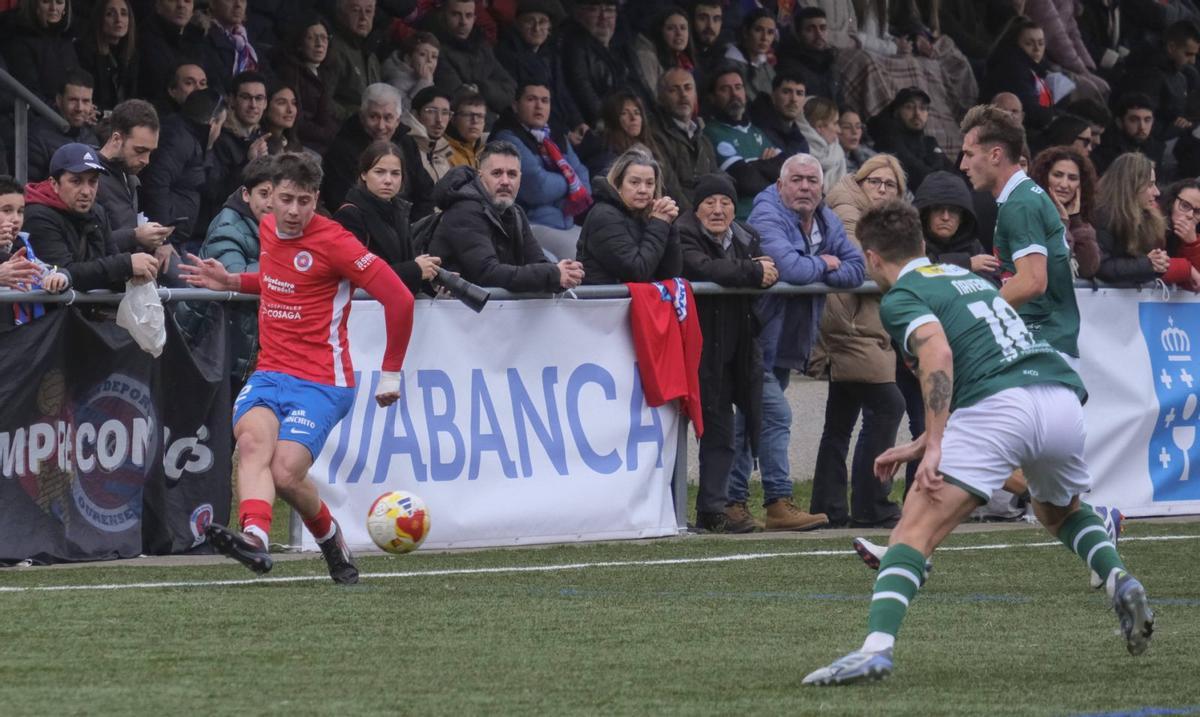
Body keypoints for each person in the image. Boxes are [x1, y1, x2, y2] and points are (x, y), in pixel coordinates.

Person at [802, 200, 1154, 685]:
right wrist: (923, 441)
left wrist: (935, 445)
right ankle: (1119, 578)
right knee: (1058, 512)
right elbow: (979, 363)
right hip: (1058, 397)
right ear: (922, 245)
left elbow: (939, 353)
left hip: (999, 407)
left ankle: (875, 649)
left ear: (872, 258)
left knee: (912, 532)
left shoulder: (902, 297)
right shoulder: (965, 278)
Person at [179, 152, 417, 584]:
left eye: (303, 201)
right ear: (270, 196)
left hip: (323, 381)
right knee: (252, 443)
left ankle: (330, 538)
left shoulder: (337, 242)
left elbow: (399, 298)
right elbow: (277, 281)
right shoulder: (268, 228)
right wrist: (232, 281)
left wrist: (391, 373)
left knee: (286, 474)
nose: (292, 211)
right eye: (285, 199)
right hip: (270, 371)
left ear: (316, 198)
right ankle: (255, 537)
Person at [732, 153, 864, 531]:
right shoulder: (767, 214)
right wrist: (825, 264)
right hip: (753, 336)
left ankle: (730, 502)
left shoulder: (825, 218)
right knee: (776, 415)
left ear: (822, 187)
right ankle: (778, 501)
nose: (805, 187)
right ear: (780, 185)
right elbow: (789, 268)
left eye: (812, 181)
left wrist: (817, 269)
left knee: (750, 421)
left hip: (786, 342)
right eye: (797, 180)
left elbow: (856, 268)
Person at [808, 154, 907, 529]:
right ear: (860, 182)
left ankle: (828, 507)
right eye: (874, 182)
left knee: (840, 421)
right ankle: (870, 504)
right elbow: (863, 266)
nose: (881, 189)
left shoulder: (884, 218)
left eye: (889, 184)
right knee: (888, 404)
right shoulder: (848, 209)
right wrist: (903, 273)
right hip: (849, 326)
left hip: (862, 325)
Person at [678, 173, 775, 532]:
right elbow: (706, 269)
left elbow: (770, 270)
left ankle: (714, 509)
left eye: (726, 202)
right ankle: (669, 508)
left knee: (724, 430)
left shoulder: (747, 235)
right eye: (710, 202)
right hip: (693, 349)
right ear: (696, 208)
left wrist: (757, 271)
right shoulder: (682, 233)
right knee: (676, 431)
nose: (718, 210)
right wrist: (752, 270)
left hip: (737, 347)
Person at [958, 104, 1080, 365]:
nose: (963, 165)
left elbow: (1032, 281)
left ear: (995, 155)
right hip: (1041, 342)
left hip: (1041, 343)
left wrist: (978, 321)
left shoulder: (1020, 204)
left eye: (968, 154)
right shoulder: (1021, 198)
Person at [428, 142, 584, 292]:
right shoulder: (465, 211)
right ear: (480, 176)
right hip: (452, 308)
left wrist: (564, 274)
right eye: (497, 173)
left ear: (520, 179)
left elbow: (538, 261)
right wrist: (553, 274)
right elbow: (487, 274)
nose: (505, 181)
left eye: (512, 174)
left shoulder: (516, 213)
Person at [24, 143, 159, 293]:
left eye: (93, 181)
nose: (86, 191)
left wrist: (129, 278)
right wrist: (126, 265)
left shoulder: (97, 211)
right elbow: (62, 273)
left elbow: (110, 264)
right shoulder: (37, 216)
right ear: (54, 183)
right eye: (76, 181)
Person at [491, 81, 592, 261]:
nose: (539, 106)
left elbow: (583, 177)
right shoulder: (507, 138)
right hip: (529, 225)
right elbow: (538, 187)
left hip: (565, 223)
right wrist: (570, 181)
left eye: (545, 101)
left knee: (604, 251)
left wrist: (567, 180)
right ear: (515, 106)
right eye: (531, 99)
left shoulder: (555, 137)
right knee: (580, 257)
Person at [198, 155, 274, 385]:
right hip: (217, 346)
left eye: (279, 195)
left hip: (246, 344)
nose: (271, 203)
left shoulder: (280, 227)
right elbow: (235, 276)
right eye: (264, 194)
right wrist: (289, 269)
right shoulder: (227, 226)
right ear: (246, 194)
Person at [334, 140, 441, 296]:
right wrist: (415, 269)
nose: (388, 180)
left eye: (395, 173)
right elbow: (356, 274)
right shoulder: (349, 215)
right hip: (365, 307)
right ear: (364, 174)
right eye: (379, 172)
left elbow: (404, 268)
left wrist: (431, 276)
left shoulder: (400, 212)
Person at [321, 83, 433, 218]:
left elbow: (425, 191)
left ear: (397, 120)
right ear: (362, 117)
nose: (381, 126)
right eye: (374, 117)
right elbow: (340, 200)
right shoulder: (342, 149)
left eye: (388, 118)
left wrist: (415, 225)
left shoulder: (407, 143)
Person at [141, 87, 227, 252]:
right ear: (213, 123)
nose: (219, 132)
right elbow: (156, 184)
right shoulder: (178, 139)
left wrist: (208, 149)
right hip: (163, 240)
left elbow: (211, 187)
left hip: (178, 239)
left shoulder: (197, 140)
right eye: (221, 125)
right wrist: (162, 239)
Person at [577, 149, 682, 284]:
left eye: (649, 183)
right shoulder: (604, 216)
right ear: (618, 184)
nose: (643, 190)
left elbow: (669, 275)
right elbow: (637, 272)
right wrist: (659, 224)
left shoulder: (650, 216)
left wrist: (669, 226)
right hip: (605, 297)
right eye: (634, 182)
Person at [1094, 153, 1196, 287]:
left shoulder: (1150, 219)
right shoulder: (1102, 216)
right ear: (1131, 186)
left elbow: (1157, 266)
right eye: (1150, 185)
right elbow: (1101, 266)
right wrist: (1148, 264)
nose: (1157, 192)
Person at [94, 100, 174, 262]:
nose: (146, 160)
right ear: (116, 139)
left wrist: (152, 239)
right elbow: (86, 244)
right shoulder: (89, 178)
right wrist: (135, 236)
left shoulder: (130, 176)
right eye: (140, 150)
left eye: (150, 152)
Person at [703, 64, 785, 219]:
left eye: (738, 87)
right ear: (712, 97)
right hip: (745, 219)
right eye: (725, 89)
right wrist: (766, 165)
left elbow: (785, 171)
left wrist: (752, 165)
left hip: (775, 214)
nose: (734, 94)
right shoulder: (713, 133)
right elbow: (747, 181)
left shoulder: (756, 131)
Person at [431, 0, 518, 119]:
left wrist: (480, 88)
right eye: (456, 14)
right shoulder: (435, 50)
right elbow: (459, 99)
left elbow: (510, 90)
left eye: (468, 15)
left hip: (491, 122)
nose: (463, 22)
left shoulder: (482, 47)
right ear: (443, 15)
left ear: (474, 18)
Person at [0, 176, 70, 320]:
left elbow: (48, 270)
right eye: (7, 210)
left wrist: (60, 277)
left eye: (20, 211)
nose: (16, 219)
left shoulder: (22, 247)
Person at [651, 68, 720, 212]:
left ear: (695, 95)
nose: (683, 95)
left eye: (688, 88)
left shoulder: (703, 138)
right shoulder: (654, 137)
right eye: (674, 90)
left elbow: (718, 179)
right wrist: (697, 217)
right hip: (682, 218)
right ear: (660, 98)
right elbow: (669, 187)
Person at [1029, 146, 1101, 280]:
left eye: (1072, 178)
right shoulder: (1029, 211)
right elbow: (1056, 263)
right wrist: (1062, 223)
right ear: (1044, 176)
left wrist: (1076, 220)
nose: (1064, 184)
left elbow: (1089, 268)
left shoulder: (1082, 218)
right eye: (1057, 175)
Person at [271, 15, 339, 154]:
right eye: (311, 38)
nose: (319, 44)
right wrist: (330, 135)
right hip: (300, 141)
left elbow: (327, 113)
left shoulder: (326, 72)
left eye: (324, 38)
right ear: (299, 43)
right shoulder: (290, 72)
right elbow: (297, 122)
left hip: (321, 140)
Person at [868, 86, 951, 192]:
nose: (917, 113)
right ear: (896, 112)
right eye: (909, 107)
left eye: (922, 108)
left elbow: (955, 174)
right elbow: (920, 176)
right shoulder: (888, 140)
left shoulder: (929, 142)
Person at [28, 71, 101, 183]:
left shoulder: (90, 136)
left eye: (86, 101)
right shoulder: (37, 137)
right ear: (59, 100)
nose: (79, 108)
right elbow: (29, 187)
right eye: (73, 100)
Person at [1, 0, 81, 103]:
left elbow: (79, 83)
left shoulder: (66, 40)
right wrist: (63, 108)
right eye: (46, 2)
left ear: (65, 9)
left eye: (59, 2)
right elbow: (30, 93)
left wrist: (87, 106)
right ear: (34, 6)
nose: (53, 8)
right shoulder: (18, 42)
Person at [212, 71, 271, 206]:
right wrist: (248, 163)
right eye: (246, 97)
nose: (253, 105)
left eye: (259, 98)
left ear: (266, 103)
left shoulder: (265, 138)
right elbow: (216, 193)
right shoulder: (219, 138)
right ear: (232, 100)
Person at [138, 0, 206, 110]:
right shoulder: (143, 40)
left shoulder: (198, 38)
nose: (181, 5)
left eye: (187, 0)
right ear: (158, 5)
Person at [75, 0, 140, 115]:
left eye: (124, 14)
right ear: (99, 19)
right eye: (110, 14)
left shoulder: (131, 55)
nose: (118, 20)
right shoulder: (84, 52)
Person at [324, 0, 383, 122]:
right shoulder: (333, 50)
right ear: (341, 14)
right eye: (356, 10)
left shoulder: (371, 55)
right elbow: (322, 99)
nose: (363, 17)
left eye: (368, 11)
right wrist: (355, 118)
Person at [586, 90, 665, 178]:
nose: (633, 118)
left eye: (637, 113)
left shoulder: (647, 147)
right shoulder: (605, 154)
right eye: (624, 113)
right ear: (612, 119)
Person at [201, 0, 267, 95]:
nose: (238, 5)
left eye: (242, 0)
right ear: (212, 3)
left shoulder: (245, 38)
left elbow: (267, 73)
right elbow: (219, 82)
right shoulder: (203, 36)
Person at [1091, 93, 1165, 175]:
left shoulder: (1156, 149)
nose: (1142, 127)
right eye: (1134, 120)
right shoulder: (1105, 150)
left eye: (1147, 120)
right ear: (1119, 122)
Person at [634, 6, 695, 98]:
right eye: (671, 28)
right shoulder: (647, 58)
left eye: (683, 28)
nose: (679, 33)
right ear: (660, 31)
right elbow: (650, 99)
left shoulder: (685, 60)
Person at [748, 71, 811, 160]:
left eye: (799, 93)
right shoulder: (755, 130)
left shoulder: (800, 141)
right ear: (773, 96)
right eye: (786, 92)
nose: (794, 99)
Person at [400, 87, 455, 187]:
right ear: (415, 114)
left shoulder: (444, 149)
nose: (439, 119)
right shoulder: (404, 147)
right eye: (431, 111)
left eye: (445, 113)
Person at [724, 9, 777, 101]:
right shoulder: (727, 65)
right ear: (745, 32)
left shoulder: (767, 67)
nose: (765, 38)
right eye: (758, 30)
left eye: (770, 32)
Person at [798, 96, 847, 192]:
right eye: (835, 123)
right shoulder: (797, 153)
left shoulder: (837, 153)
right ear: (819, 126)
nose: (839, 130)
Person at [382, 31, 439, 111]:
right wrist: (424, 83)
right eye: (423, 54)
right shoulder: (396, 81)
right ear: (408, 59)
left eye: (434, 56)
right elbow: (400, 111)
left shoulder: (428, 79)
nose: (429, 60)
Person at [446, 91, 489, 169]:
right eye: (468, 115)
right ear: (453, 119)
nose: (475, 121)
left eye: (480, 116)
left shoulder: (487, 150)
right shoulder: (443, 152)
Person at [261, 83, 302, 156]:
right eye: (282, 103)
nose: (290, 110)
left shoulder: (292, 143)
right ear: (265, 106)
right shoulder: (259, 147)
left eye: (293, 103)